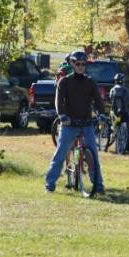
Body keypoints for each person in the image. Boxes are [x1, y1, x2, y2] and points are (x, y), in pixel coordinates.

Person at [45, 50, 106, 194]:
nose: (80, 67)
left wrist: (102, 114)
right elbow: (58, 101)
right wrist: (62, 116)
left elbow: (98, 101)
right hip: (69, 125)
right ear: (72, 64)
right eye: (77, 64)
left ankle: (98, 185)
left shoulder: (90, 82)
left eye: (83, 64)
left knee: (93, 155)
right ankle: (50, 184)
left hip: (86, 124)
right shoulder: (64, 82)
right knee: (60, 154)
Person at [109, 72, 129, 153]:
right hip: (124, 112)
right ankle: (128, 147)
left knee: (114, 128)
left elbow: (110, 99)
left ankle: (112, 140)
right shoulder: (127, 89)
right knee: (128, 130)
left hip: (115, 113)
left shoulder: (112, 89)